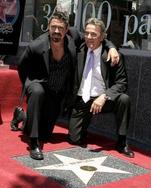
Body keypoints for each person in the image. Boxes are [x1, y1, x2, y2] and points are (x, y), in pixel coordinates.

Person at [18, 11, 119, 160]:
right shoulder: (37, 45)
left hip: (57, 92)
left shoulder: (74, 38)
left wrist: (111, 46)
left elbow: (96, 38)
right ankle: (34, 144)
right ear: (48, 27)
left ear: (67, 30)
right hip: (39, 84)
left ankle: (21, 116)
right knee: (38, 93)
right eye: (53, 27)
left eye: (60, 28)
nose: (56, 31)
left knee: (46, 134)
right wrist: (29, 87)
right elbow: (22, 66)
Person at [67, 18, 134, 158]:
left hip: (103, 99)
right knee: (74, 140)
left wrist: (104, 96)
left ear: (103, 37)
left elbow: (122, 83)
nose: (89, 37)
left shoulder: (113, 56)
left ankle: (122, 141)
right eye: (87, 33)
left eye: (94, 34)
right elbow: (64, 29)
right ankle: (83, 128)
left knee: (124, 99)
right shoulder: (78, 49)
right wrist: (111, 45)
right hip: (82, 99)